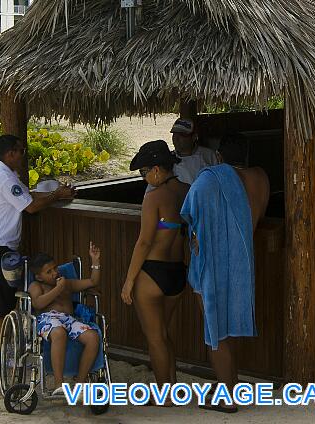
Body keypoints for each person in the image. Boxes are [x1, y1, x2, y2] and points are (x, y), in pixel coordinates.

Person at [180, 134, 270, 412]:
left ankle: (228, 398)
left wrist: (196, 237)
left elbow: (189, 211)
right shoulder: (260, 178)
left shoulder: (211, 178)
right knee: (229, 331)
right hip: (243, 261)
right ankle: (230, 387)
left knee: (215, 331)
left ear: (219, 157)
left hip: (216, 262)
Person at [0, 134, 76, 358]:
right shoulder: (5, 178)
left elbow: (29, 195)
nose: (23, 156)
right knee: (4, 303)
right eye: (21, 151)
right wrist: (56, 195)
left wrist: (54, 192)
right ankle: (7, 356)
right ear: (10, 154)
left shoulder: (5, 174)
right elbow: (31, 206)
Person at [121, 140, 190, 405]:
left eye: (144, 171)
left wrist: (129, 280)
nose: (144, 177)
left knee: (155, 338)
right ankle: (171, 388)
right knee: (164, 334)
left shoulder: (154, 196)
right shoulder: (186, 190)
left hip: (152, 272)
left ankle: (166, 395)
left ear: (158, 169)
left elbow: (145, 241)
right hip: (177, 271)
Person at [28, 242, 101, 396]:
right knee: (59, 333)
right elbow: (38, 303)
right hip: (47, 319)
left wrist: (95, 261)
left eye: (55, 268)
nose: (55, 273)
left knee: (93, 337)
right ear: (39, 277)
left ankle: (80, 382)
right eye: (49, 272)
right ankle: (59, 383)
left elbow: (93, 282)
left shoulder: (66, 282)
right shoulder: (36, 286)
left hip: (69, 319)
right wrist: (58, 289)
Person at [170, 118, 219, 184]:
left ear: (194, 137)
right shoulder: (169, 158)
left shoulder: (208, 155)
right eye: (174, 134)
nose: (176, 139)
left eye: (182, 135)